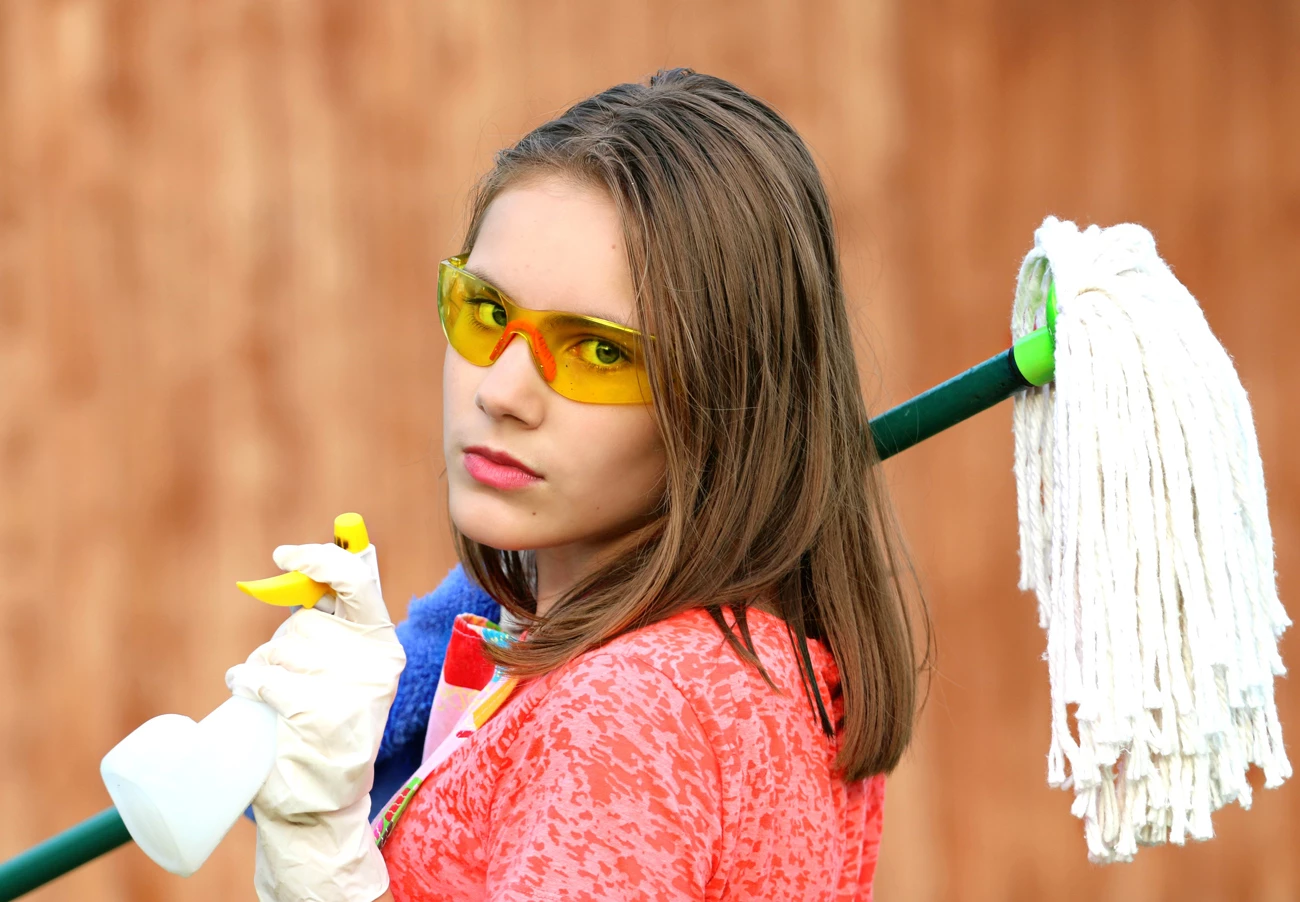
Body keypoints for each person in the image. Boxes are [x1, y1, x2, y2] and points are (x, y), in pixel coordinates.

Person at [225, 67, 930, 902]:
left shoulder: (630, 716)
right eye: (487, 312)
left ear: (727, 400)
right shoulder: (756, 666)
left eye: (599, 351)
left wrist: (320, 862)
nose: (501, 391)